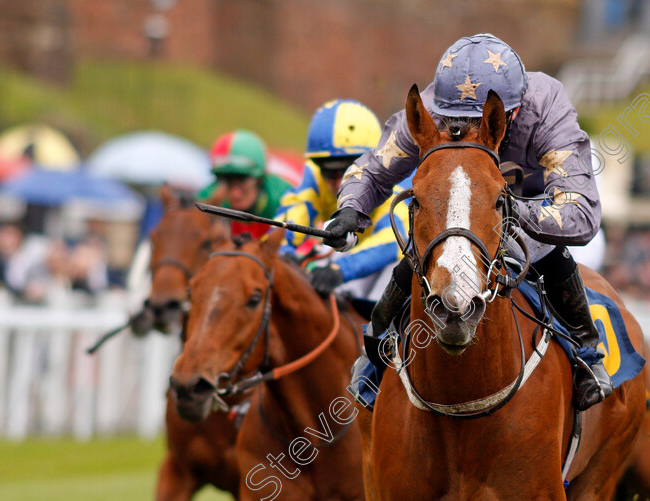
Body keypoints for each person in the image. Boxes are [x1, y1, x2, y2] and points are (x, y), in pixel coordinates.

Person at [324, 34, 611, 411]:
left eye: (479, 122)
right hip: (457, 211)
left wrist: (508, 212)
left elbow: (581, 212)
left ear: (511, 112)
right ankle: (376, 356)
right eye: (456, 122)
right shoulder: (431, 109)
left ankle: (586, 351)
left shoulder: (546, 105)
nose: (465, 131)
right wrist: (350, 211)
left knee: (545, 253)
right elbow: (373, 170)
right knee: (419, 254)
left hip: (530, 205)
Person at [276, 99, 411, 298]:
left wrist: (341, 270)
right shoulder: (313, 179)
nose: (340, 183)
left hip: (380, 270)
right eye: (329, 173)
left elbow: (392, 244)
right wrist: (284, 251)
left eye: (349, 171)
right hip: (342, 256)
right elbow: (289, 219)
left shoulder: (391, 195)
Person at [199, 130, 294, 238]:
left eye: (243, 180)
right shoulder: (207, 200)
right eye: (227, 182)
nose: (236, 194)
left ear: (260, 179)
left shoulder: (286, 198)